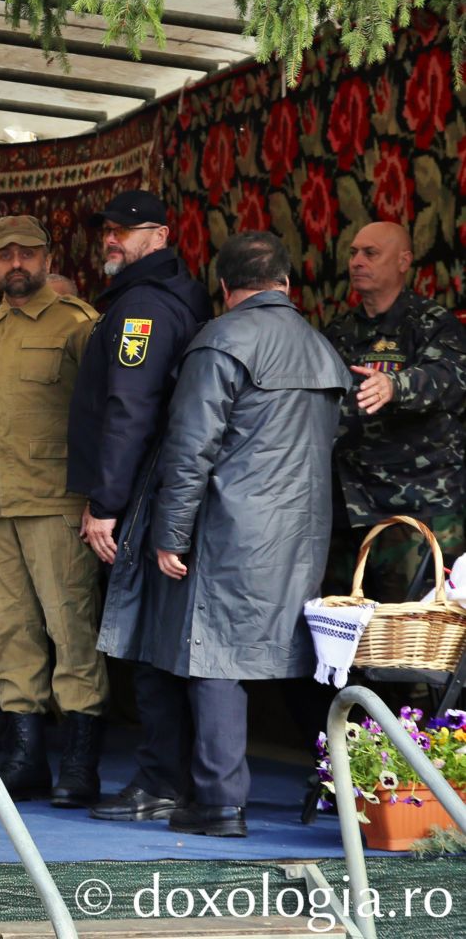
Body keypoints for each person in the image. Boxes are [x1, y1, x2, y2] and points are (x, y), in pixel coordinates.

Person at [144, 233, 349, 838]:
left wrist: (171, 533)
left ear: (225, 288)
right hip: (304, 531)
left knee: (216, 655)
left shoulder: (220, 340)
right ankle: (344, 782)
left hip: (234, 528)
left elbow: (190, 449)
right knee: (310, 658)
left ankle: (220, 803)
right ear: (286, 283)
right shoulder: (321, 347)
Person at [68, 189, 213, 824]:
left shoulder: (145, 306)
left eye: (125, 231)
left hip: (144, 493)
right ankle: (182, 779)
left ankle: (160, 782)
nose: (112, 239)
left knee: (148, 643)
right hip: (165, 487)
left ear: (160, 237)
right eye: (108, 229)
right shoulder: (164, 294)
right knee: (163, 641)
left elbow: (131, 407)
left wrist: (106, 502)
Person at [0, 216, 103, 806]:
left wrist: (101, 497)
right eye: (4, 254)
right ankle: (25, 756)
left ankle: (81, 761)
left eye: (27, 253)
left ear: (47, 257)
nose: (15, 263)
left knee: (71, 629)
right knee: (7, 634)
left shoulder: (79, 324)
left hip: (58, 501)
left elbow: (107, 413)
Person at [321, 221, 466, 602]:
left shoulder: (433, 324)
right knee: (341, 618)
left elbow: (451, 377)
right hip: (349, 504)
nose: (357, 261)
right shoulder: (339, 331)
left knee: (415, 623)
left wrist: (395, 385)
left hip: (417, 504)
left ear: (403, 261)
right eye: (353, 252)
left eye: (370, 253)